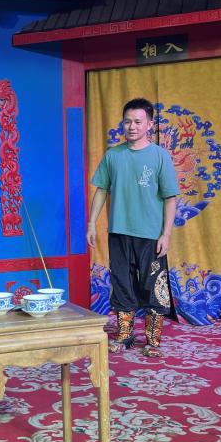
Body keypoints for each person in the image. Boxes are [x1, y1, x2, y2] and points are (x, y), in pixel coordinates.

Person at [86, 98, 179, 357]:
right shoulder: (113, 155)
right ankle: (125, 335)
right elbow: (101, 190)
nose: (132, 126)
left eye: (138, 122)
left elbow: (170, 198)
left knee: (153, 286)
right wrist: (92, 223)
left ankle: (153, 340)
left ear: (149, 124)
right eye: (127, 121)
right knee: (121, 283)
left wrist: (166, 234)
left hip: (151, 235)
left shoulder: (160, 156)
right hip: (119, 231)